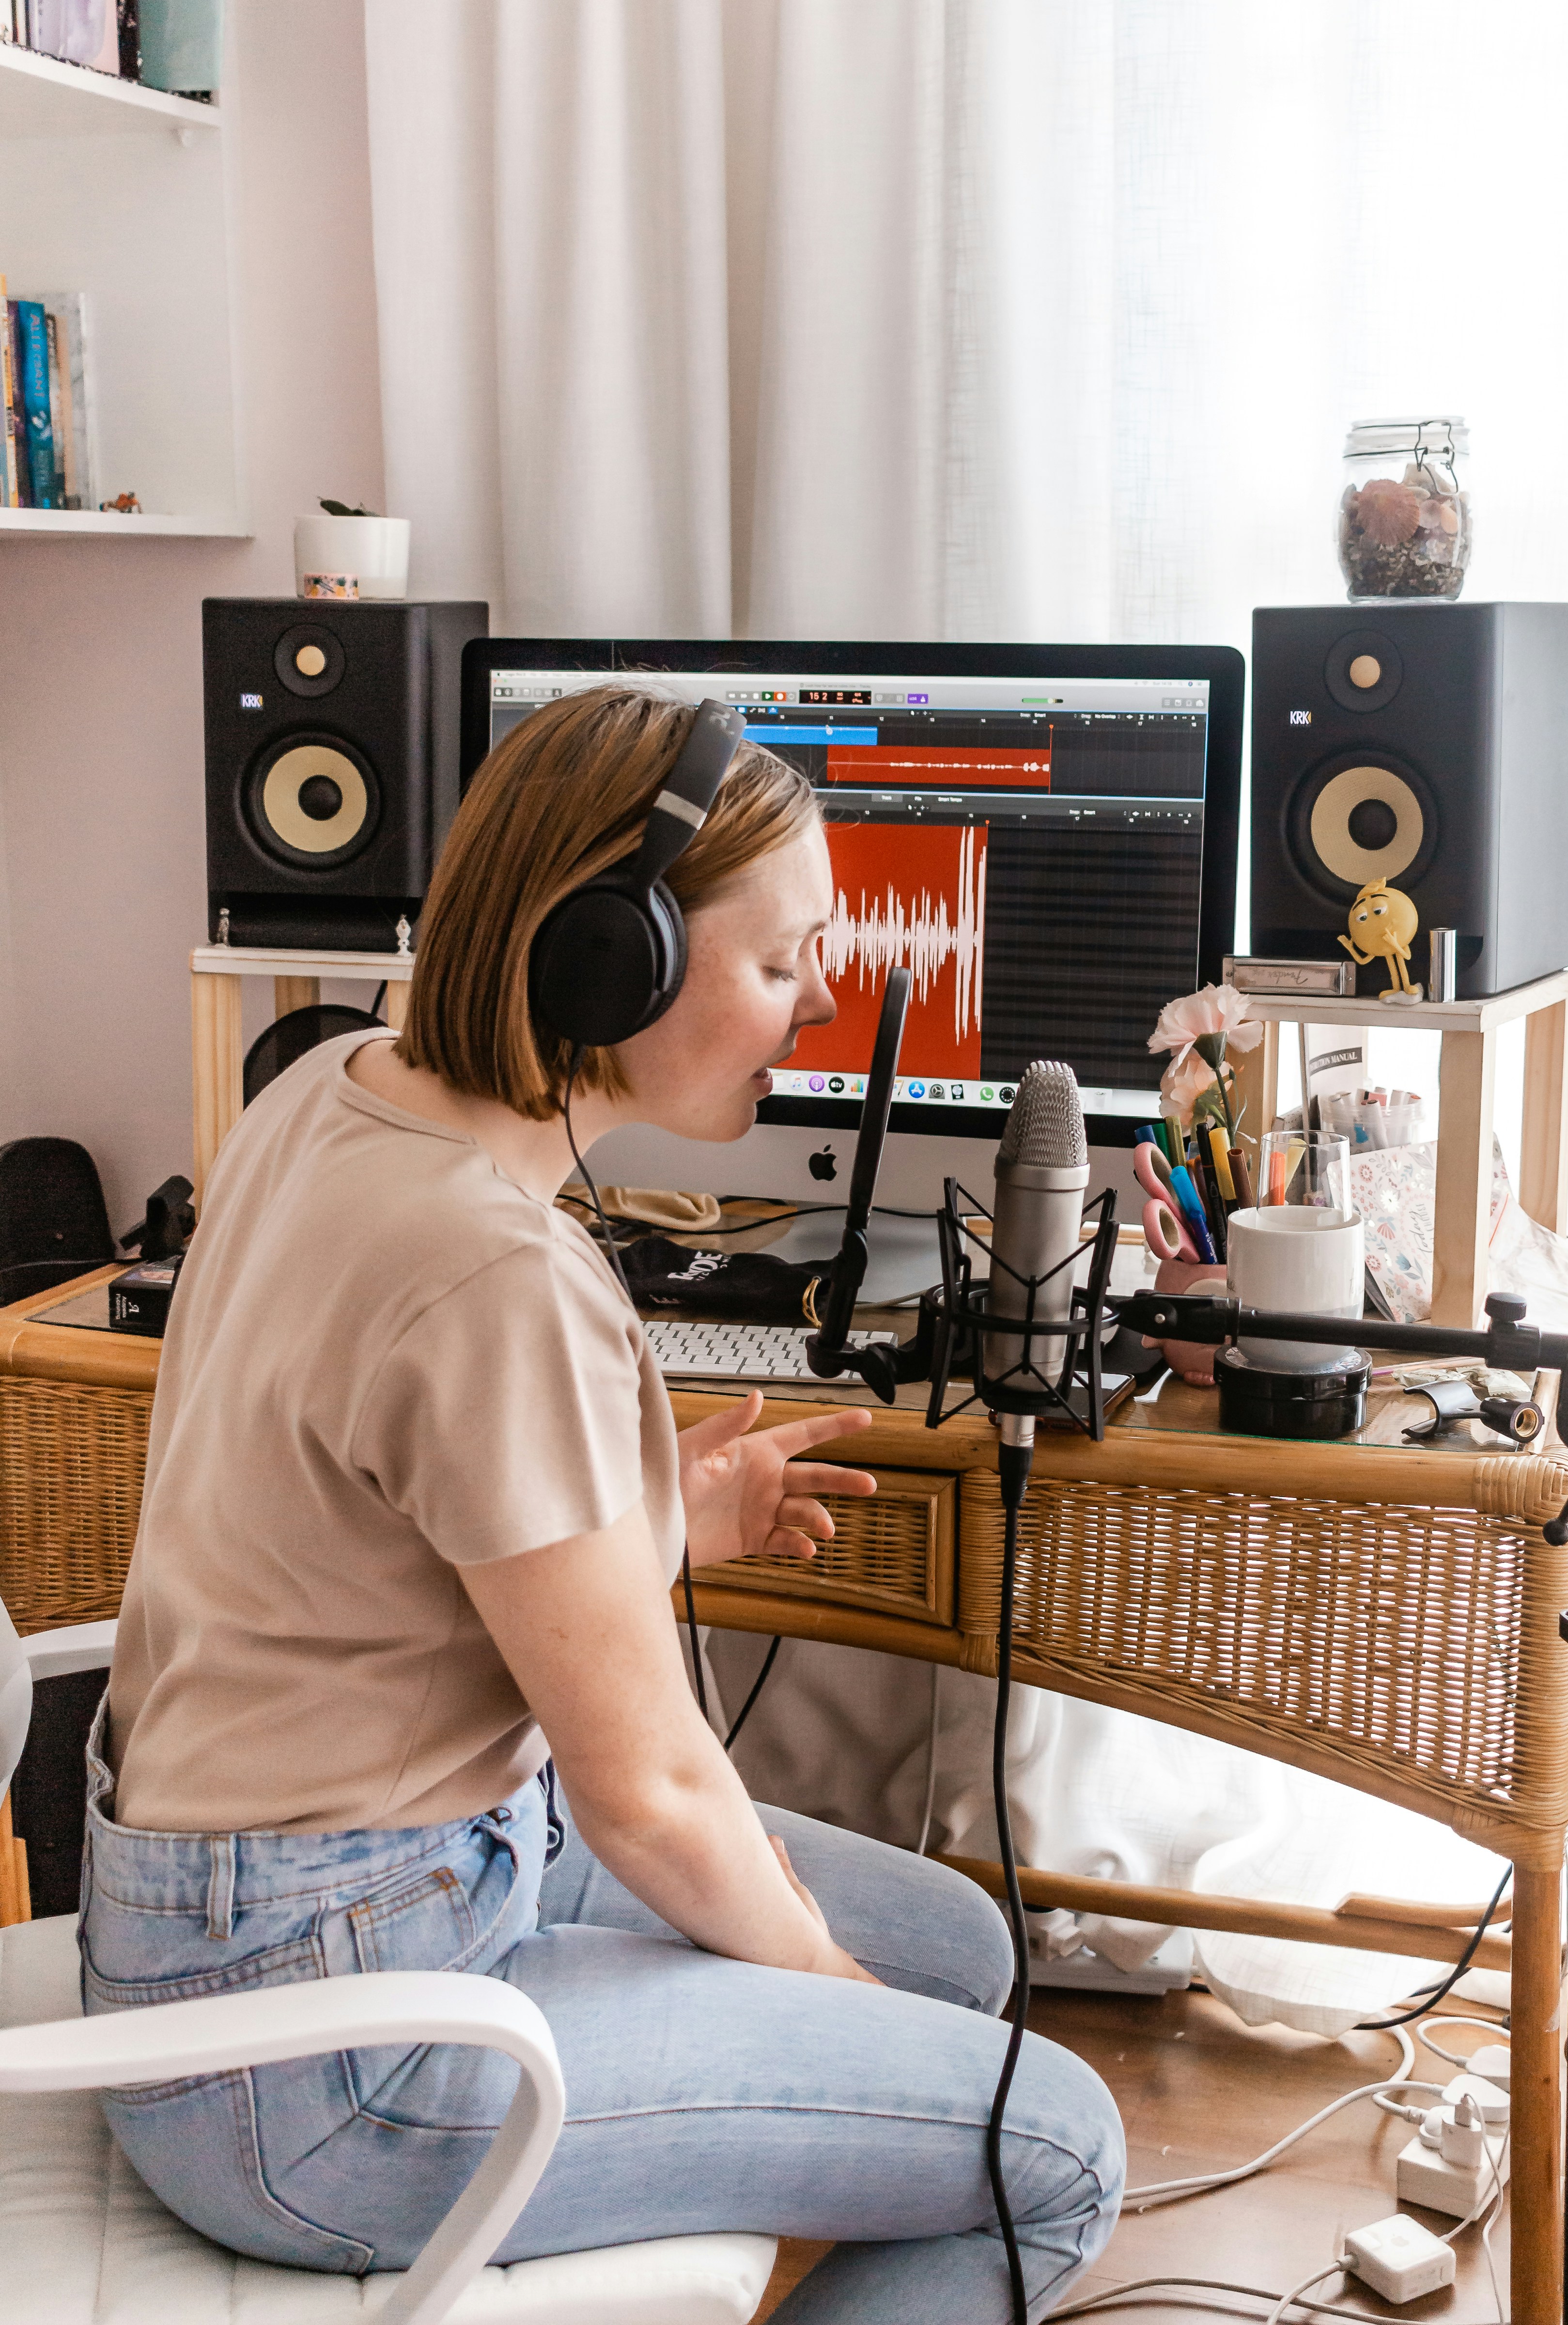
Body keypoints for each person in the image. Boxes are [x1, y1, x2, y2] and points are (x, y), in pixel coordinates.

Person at [83, 684, 1123, 2322]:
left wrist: (655, 1526)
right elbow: (647, 1799)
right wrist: (847, 2017)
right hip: (321, 2051)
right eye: (778, 964)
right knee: (1051, 2147)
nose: (812, 1007)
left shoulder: (329, 1088)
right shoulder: (495, 1271)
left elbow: (384, 1538)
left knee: (962, 1955)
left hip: (271, 1903)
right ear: (605, 954)